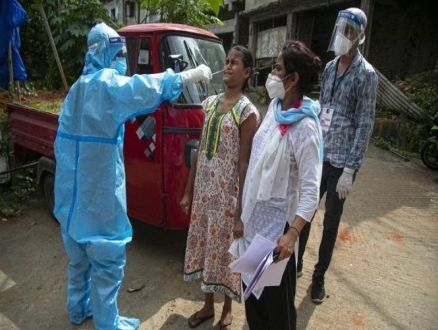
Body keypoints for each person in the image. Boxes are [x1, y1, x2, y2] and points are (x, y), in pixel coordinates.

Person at [54, 22, 212, 330]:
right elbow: (143, 88)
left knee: (79, 259)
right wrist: (187, 76)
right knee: (106, 261)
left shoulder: (76, 89)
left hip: (71, 191)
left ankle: (77, 309)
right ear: (109, 52)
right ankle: (107, 323)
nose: (123, 60)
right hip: (98, 191)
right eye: (121, 53)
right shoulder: (107, 86)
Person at [230, 40, 323, 330]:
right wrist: (241, 214)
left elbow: (310, 192)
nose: (272, 73)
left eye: (278, 68)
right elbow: (257, 159)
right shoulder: (273, 108)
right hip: (255, 226)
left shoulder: (305, 128)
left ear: (293, 79)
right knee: (255, 304)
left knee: (278, 311)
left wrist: (292, 235)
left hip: (277, 236)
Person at [297, 7, 378, 304]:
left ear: (360, 37)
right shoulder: (330, 68)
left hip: (343, 163)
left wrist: (350, 168)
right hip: (321, 154)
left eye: (350, 31)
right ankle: (298, 263)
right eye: (341, 29)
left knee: (330, 222)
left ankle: (319, 277)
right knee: (305, 210)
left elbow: (365, 123)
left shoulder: (366, 75)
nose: (344, 36)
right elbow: (323, 111)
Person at [180, 45, 260, 329]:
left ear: (247, 72)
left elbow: (244, 164)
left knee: (226, 252)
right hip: (204, 193)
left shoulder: (247, 111)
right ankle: (207, 306)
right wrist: (189, 191)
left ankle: (228, 308)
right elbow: (201, 150)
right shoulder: (210, 103)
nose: (227, 67)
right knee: (204, 246)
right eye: (226, 62)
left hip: (228, 198)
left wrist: (240, 214)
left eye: (234, 63)